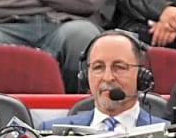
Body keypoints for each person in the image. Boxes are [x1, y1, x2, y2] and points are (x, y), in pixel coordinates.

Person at [39, 29, 168, 130]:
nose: (108, 77)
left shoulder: (167, 134)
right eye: (98, 67)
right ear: (85, 75)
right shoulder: (50, 132)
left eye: (119, 67)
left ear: (140, 75)